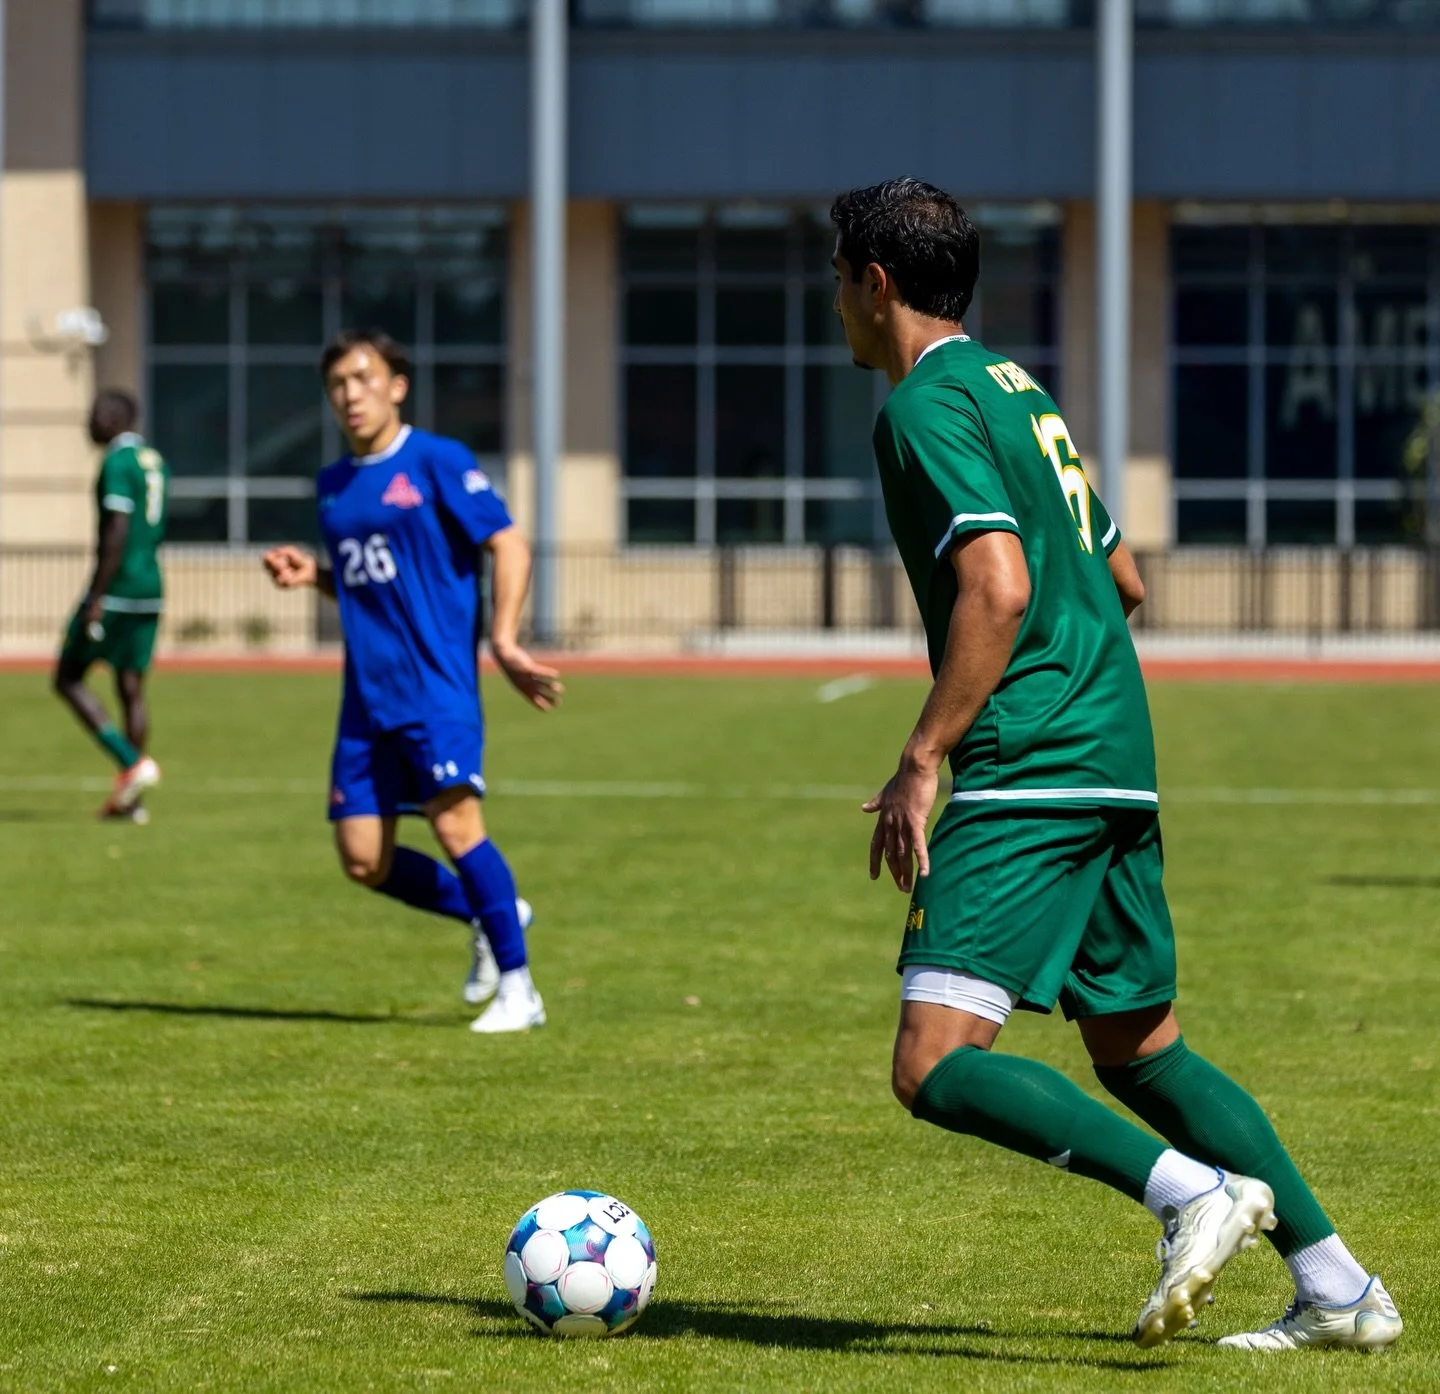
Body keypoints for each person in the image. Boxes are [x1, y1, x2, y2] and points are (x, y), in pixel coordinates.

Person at [833, 178, 1400, 1351]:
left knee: (933, 1061)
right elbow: (1125, 580)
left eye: (837, 276)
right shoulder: (1017, 388)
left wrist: (926, 751)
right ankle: (1341, 1289)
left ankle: (1192, 1192)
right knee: (1139, 1047)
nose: (832, 300)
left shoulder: (925, 405)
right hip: (1114, 751)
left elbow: (998, 580)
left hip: (1028, 756)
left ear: (874, 281)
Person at [263, 329, 559, 1034]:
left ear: (396, 385)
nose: (349, 395)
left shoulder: (436, 462)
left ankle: (520, 990)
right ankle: (495, 912)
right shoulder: (333, 487)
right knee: (364, 860)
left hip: (436, 689)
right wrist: (317, 577)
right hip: (365, 701)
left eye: (363, 379)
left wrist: (505, 637)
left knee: (458, 830)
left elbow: (508, 542)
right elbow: (376, 583)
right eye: (337, 384)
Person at [54, 390, 167, 822]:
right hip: (150, 586)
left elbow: (117, 530)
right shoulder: (154, 461)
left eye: (97, 415)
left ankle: (131, 763)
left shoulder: (118, 463)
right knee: (131, 687)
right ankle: (131, 801)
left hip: (117, 588)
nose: (91, 422)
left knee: (67, 677)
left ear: (117, 418)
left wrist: (96, 596)